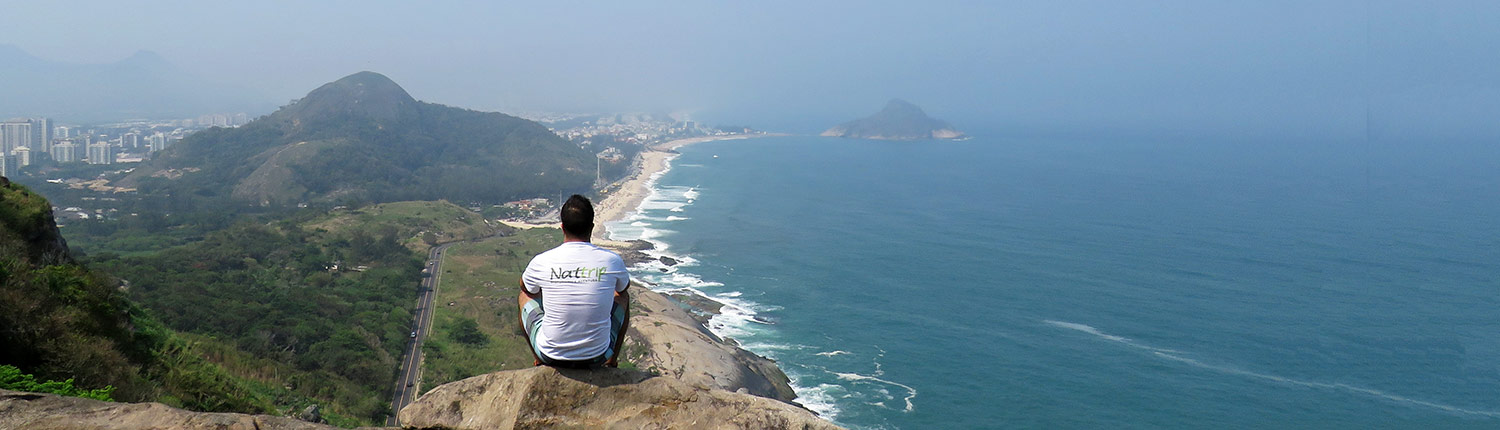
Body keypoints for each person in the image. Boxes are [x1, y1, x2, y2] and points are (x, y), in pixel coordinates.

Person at [518, 194, 631, 368]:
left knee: (523, 296)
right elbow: (623, 289)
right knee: (623, 297)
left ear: (562, 227)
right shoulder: (611, 260)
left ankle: (538, 358)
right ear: (592, 227)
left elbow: (525, 287)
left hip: (550, 355)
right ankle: (612, 359)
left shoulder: (543, 260)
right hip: (597, 355)